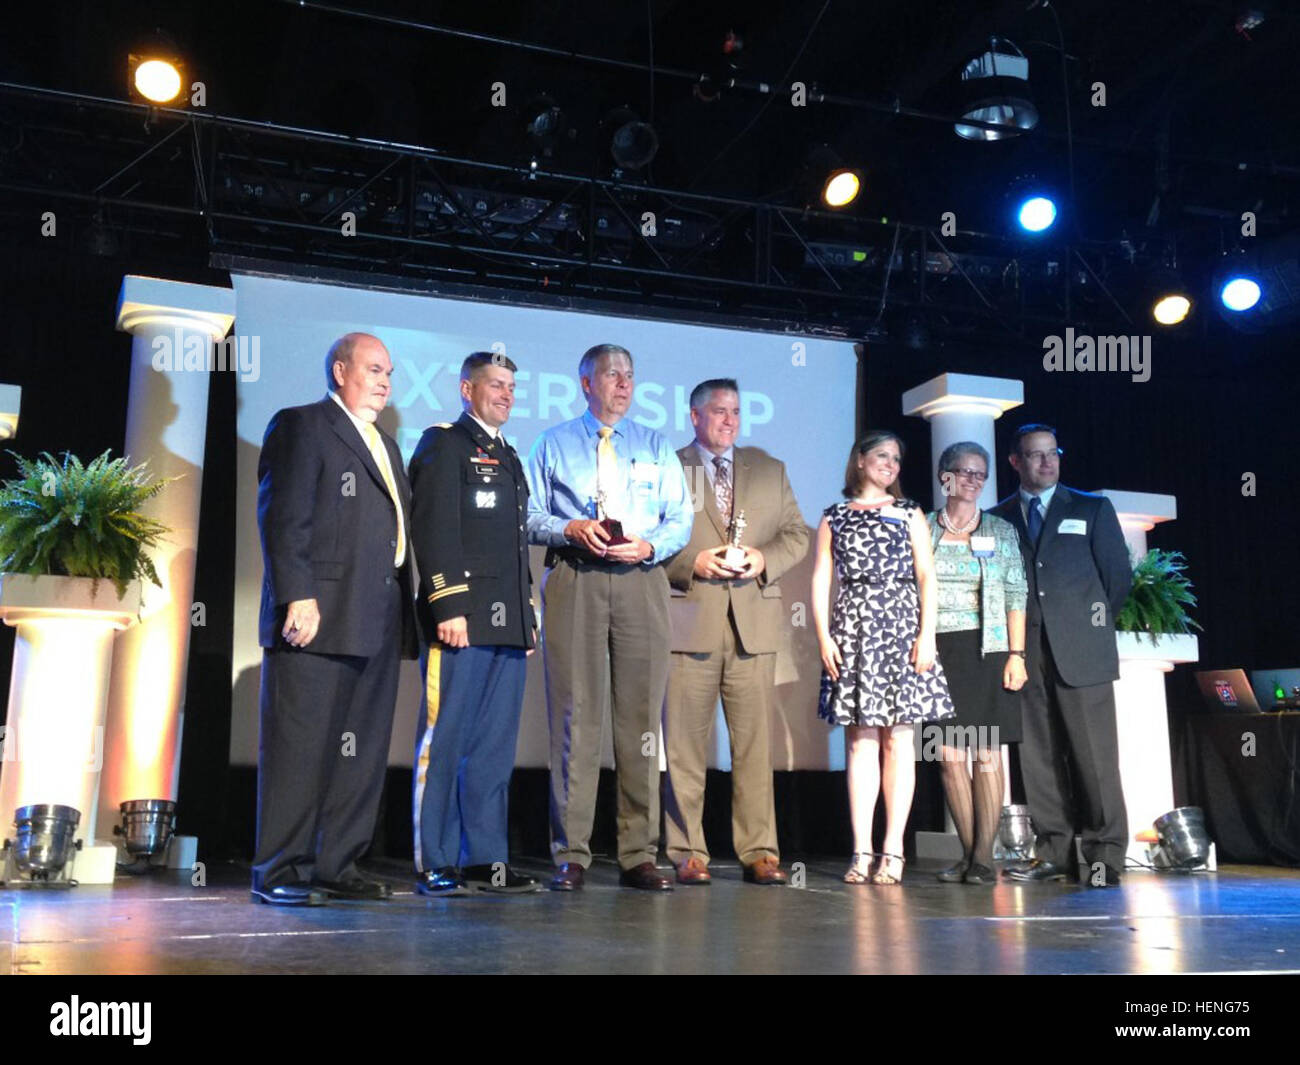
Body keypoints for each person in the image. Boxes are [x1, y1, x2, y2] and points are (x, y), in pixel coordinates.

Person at [252, 332, 418, 906]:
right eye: (374, 369)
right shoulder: (301, 424)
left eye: (389, 373)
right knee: (300, 751)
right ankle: (279, 870)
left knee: (361, 751)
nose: (384, 381)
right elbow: (283, 518)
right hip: (317, 617)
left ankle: (336, 865)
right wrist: (296, 595)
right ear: (341, 369)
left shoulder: (388, 446)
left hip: (377, 617)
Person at [526, 343, 693, 892]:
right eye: (611, 375)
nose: (623, 383)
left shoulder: (654, 445)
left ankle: (637, 854)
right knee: (575, 715)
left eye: (629, 375)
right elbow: (526, 512)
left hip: (641, 581)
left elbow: (680, 520)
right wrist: (569, 529)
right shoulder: (552, 443)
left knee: (640, 720)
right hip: (576, 577)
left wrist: (648, 546)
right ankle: (571, 853)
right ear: (585, 383)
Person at [661, 379, 810, 886]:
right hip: (689, 621)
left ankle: (760, 851)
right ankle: (687, 851)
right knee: (683, 747)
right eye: (718, 411)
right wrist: (692, 561)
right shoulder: (666, 465)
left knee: (753, 748)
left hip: (754, 626)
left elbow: (798, 535)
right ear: (695, 416)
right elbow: (647, 537)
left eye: (736, 412)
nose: (729, 420)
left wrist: (763, 559)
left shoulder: (769, 469)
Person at [407, 352, 541, 897]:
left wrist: (527, 612)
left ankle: (486, 860)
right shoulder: (444, 443)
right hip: (462, 618)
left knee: (492, 748)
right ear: (467, 389)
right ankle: (434, 858)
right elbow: (434, 527)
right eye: (495, 385)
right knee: (446, 741)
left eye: (512, 386)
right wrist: (448, 605)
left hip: (507, 622)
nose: (506, 394)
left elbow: (512, 545)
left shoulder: (508, 453)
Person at [990, 424, 1132, 887]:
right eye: (1035, 455)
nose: (1047, 462)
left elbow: (1116, 580)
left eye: (1053, 453)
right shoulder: (999, 517)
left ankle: (1103, 854)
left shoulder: (1091, 508)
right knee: (1038, 755)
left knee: (1094, 757)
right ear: (1015, 462)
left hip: (1082, 653)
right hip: (1024, 653)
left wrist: (1083, 629)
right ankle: (1052, 850)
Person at [813, 431, 953, 886]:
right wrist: (823, 637)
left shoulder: (909, 512)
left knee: (899, 741)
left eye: (896, 457)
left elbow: (926, 574)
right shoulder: (835, 515)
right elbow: (820, 580)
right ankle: (861, 850)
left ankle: (893, 849)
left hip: (901, 628)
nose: (890, 463)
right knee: (859, 742)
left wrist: (926, 634)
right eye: (881, 455)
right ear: (859, 460)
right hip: (852, 631)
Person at [925, 442, 1028, 886]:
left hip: (986, 651)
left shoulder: (1000, 531)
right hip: (934, 653)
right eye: (963, 472)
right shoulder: (922, 527)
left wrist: (1017, 655)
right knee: (948, 756)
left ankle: (985, 859)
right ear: (943, 476)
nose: (972, 480)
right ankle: (966, 855)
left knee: (986, 754)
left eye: (979, 474)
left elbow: (1015, 593)